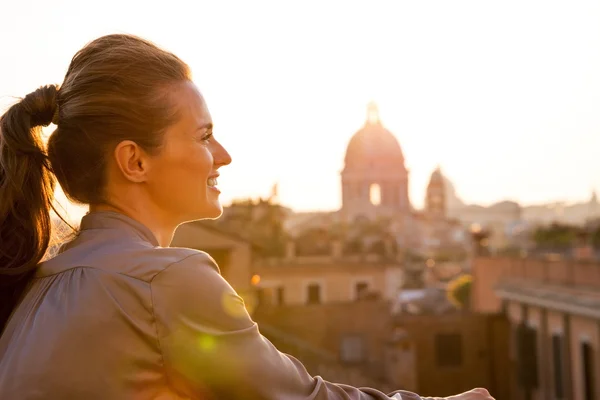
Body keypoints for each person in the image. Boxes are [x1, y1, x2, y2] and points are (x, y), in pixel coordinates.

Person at [0, 34, 494, 400]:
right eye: (203, 135)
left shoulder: (36, 286)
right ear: (135, 161)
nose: (224, 154)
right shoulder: (166, 280)